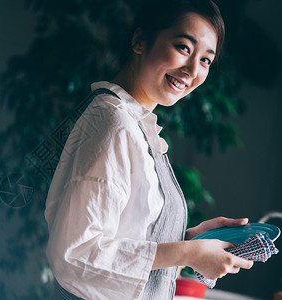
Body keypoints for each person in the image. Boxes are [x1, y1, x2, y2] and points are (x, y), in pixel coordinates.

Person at [44, 0, 254, 299]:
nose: (193, 70)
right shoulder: (114, 124)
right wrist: (186, 252)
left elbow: (127, 231)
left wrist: (191, 240)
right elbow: (76, 253)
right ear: (140, 40)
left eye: (206, 60)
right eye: (184, 47)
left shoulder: (134, 123)